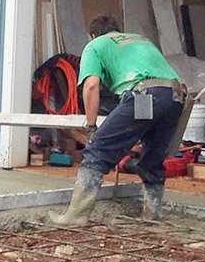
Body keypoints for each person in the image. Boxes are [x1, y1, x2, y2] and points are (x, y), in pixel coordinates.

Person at [50, 15, 186, 225]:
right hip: (176, 97)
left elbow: (92, 86)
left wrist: (92, 126)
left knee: (97, 150)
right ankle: (152, 216)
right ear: (118, 31)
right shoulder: (140, 40)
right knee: (153, 159)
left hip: (144, 95)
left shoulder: (95, 45)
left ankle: (76, 216)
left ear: (93, 35)